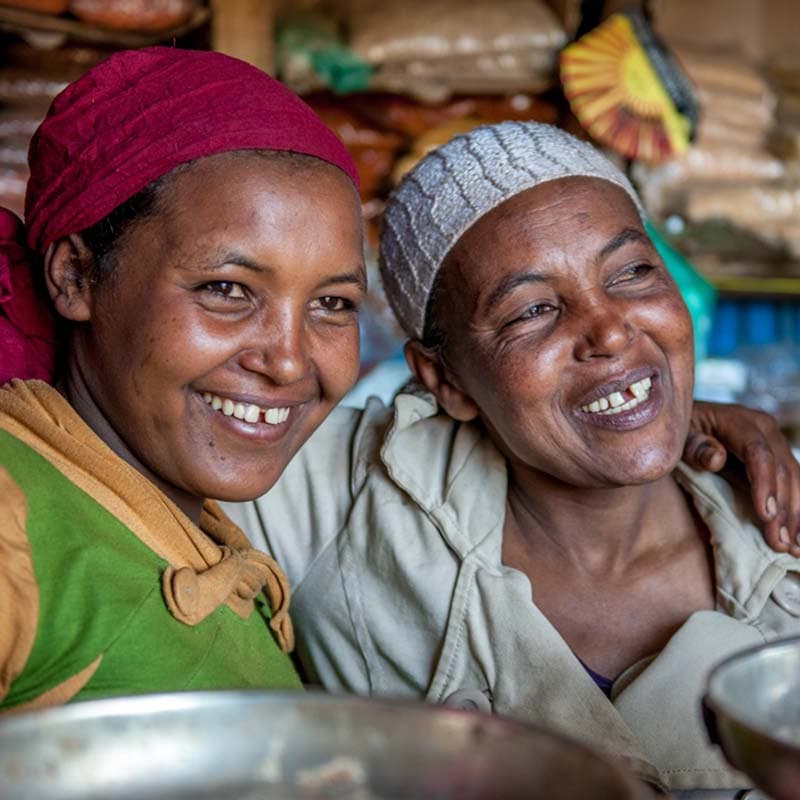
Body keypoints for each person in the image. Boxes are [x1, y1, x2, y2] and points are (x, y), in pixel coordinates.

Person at [228, 122, 800, 795]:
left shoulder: (780, 534)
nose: (611, 329)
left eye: (634, 273)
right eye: (533, 310)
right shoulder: (345, 497)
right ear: (445, 381)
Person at [0, 46, 366, 712]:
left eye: (332, 304)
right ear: (76, 276)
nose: (287, 360)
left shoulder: (199, 525)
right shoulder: (13, 515)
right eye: (227, 289)